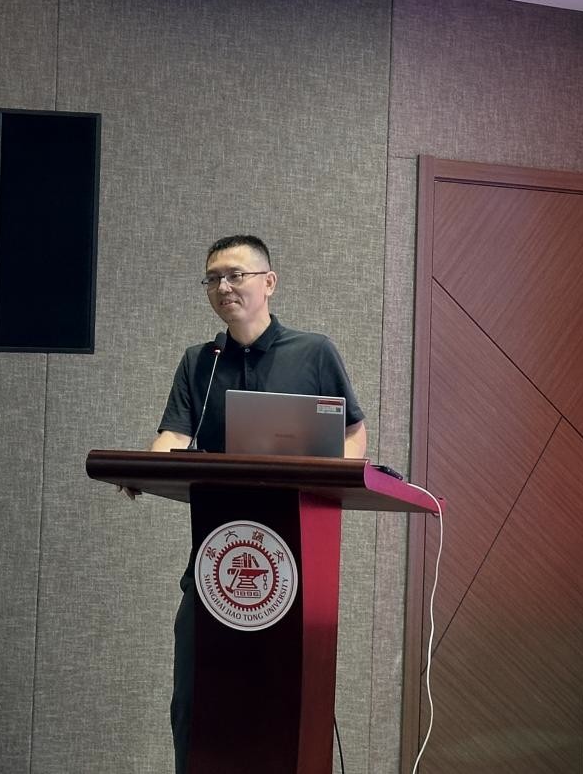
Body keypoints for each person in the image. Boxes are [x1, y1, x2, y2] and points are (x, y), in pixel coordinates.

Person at [149, 234, 365, 773]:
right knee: (195, 706)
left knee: (282, 710)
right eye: (213, 278)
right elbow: (173, 437)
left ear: (269, 282)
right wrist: (146, 467)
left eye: (235, 275)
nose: (223, 287)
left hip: (292, 569)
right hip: (214, 565)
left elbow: (352, 433)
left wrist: (331, 480)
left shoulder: (313, 352)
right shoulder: (199, 362)